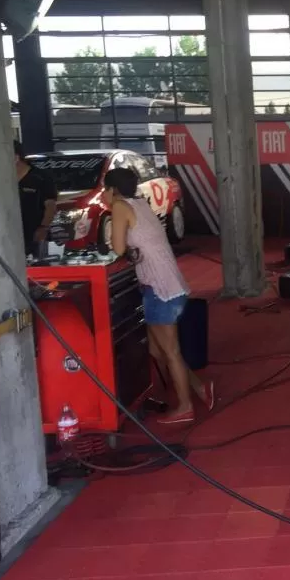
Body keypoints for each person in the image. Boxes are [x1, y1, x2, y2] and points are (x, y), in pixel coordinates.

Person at [102, 167, 213, 424]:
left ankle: (185, 407)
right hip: (164, 282)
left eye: (106, 191)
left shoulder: (119, 207)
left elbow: (118, 248)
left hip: (160, 287)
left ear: (113, 190)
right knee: (156, 348)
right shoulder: (139, 203)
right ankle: (197, 388)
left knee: (169, 350)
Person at [15, 140, 58, 258]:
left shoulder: (41, 178)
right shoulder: (1, 179)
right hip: (10, 235)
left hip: (35, 235)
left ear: (16, 157)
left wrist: (44, 227)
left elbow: (50, 205)